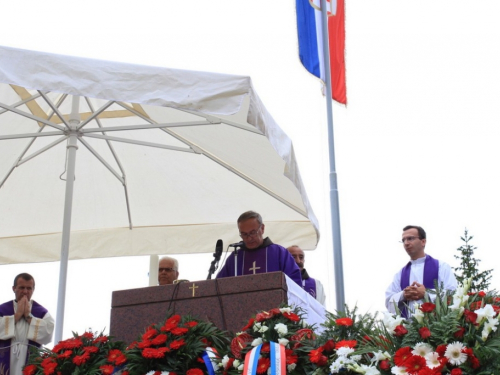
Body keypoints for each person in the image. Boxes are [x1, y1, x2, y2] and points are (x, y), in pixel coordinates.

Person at [385, 225, 458, 317]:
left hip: (437, 327)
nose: (406, 243)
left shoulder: (441, 267)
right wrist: (404, 295)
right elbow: (389, 301)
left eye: (410, 238)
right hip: (408, 328)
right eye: (403, 240)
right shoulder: (400, 274)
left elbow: (453, 294)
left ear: (423, 242)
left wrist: (426, 294)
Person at [216, 211, 302, 286]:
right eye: (244, 234)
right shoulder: (235, 258)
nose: (249, 238)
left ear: (262, 228)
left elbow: (295, 283)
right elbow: (219, 286)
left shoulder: (279, 253)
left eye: (253, 232)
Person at [0, 273, 55, 375]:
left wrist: (28, 317)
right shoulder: (2, 309)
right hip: (5, 359)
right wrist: (17, 316)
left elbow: (48, 333)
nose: (25, 292)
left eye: (29, 288)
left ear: (33, 290)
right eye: (21, 287)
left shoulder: (42, 312)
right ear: (14, 288)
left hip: (31, 360)